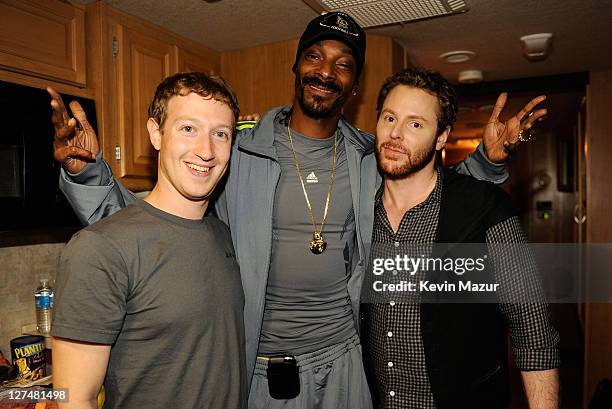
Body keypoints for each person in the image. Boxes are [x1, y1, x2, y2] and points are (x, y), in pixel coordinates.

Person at [48, 12, 544, 409]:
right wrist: (89, 173)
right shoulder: (235, 151)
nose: (326, 71)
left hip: (348, 360)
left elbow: (433, 195)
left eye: (343, 64)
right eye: (315, 56)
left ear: (353, 86)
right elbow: (152, 223)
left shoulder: (369, 155)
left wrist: (486, 161)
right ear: (297, 66)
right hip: (262, 368)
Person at [360, 67, 560, 409]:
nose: (395, 134)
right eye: (389, 118)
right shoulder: (360, 210)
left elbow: (533, 332)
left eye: (415, 124)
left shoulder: (484, 208)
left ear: (441, 138)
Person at [51, 72, 247, 409]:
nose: (206, 151)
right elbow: (72, 399)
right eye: (188, 129)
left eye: (220, 134)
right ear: (156, 134)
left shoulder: (224, 235)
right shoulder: (98, 248)